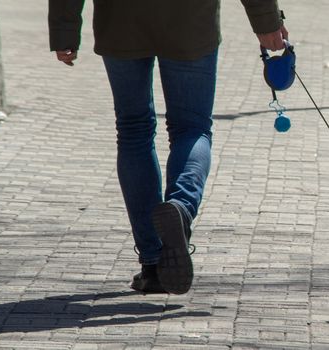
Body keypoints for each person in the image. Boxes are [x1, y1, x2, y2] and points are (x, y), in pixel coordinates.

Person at [48, 0, 289, 295]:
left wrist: (64, 30)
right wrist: (266, 22)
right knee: (192, 128)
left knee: (134, 131)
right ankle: (181, 206)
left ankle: (153, 263)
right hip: (191, 22)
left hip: (120, 22)